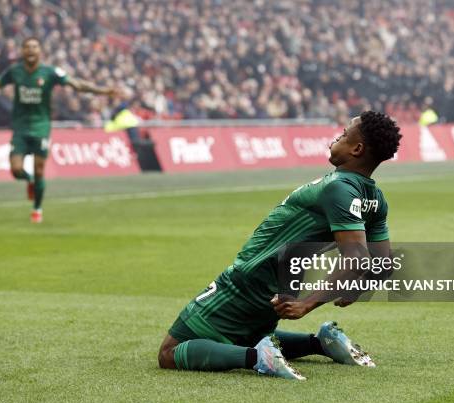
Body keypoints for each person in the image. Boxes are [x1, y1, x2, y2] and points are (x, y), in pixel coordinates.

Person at [158, 111, 402, 380]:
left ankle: (259, 359)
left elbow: (357, 258)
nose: (337, 137)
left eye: (344, 134)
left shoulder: (339, 188)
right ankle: (320, 343)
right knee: (247, 335)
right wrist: (354, 290)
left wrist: (307, 305)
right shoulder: (375, 198)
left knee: (170, 352)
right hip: (278, 287)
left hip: (248, 280)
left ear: (356, 148)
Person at [0, 37, 118, 223]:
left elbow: (77, 84)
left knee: (40, 169)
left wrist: (103, 91)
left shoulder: (49, 72)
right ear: (22, 51)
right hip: (20, 127)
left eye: (34, 47)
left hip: (41, 127)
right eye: (27, 47)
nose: (31, 50)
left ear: (40, 51)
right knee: (16, 169)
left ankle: (37, 209)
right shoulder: (15, 71)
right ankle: (29, 180)